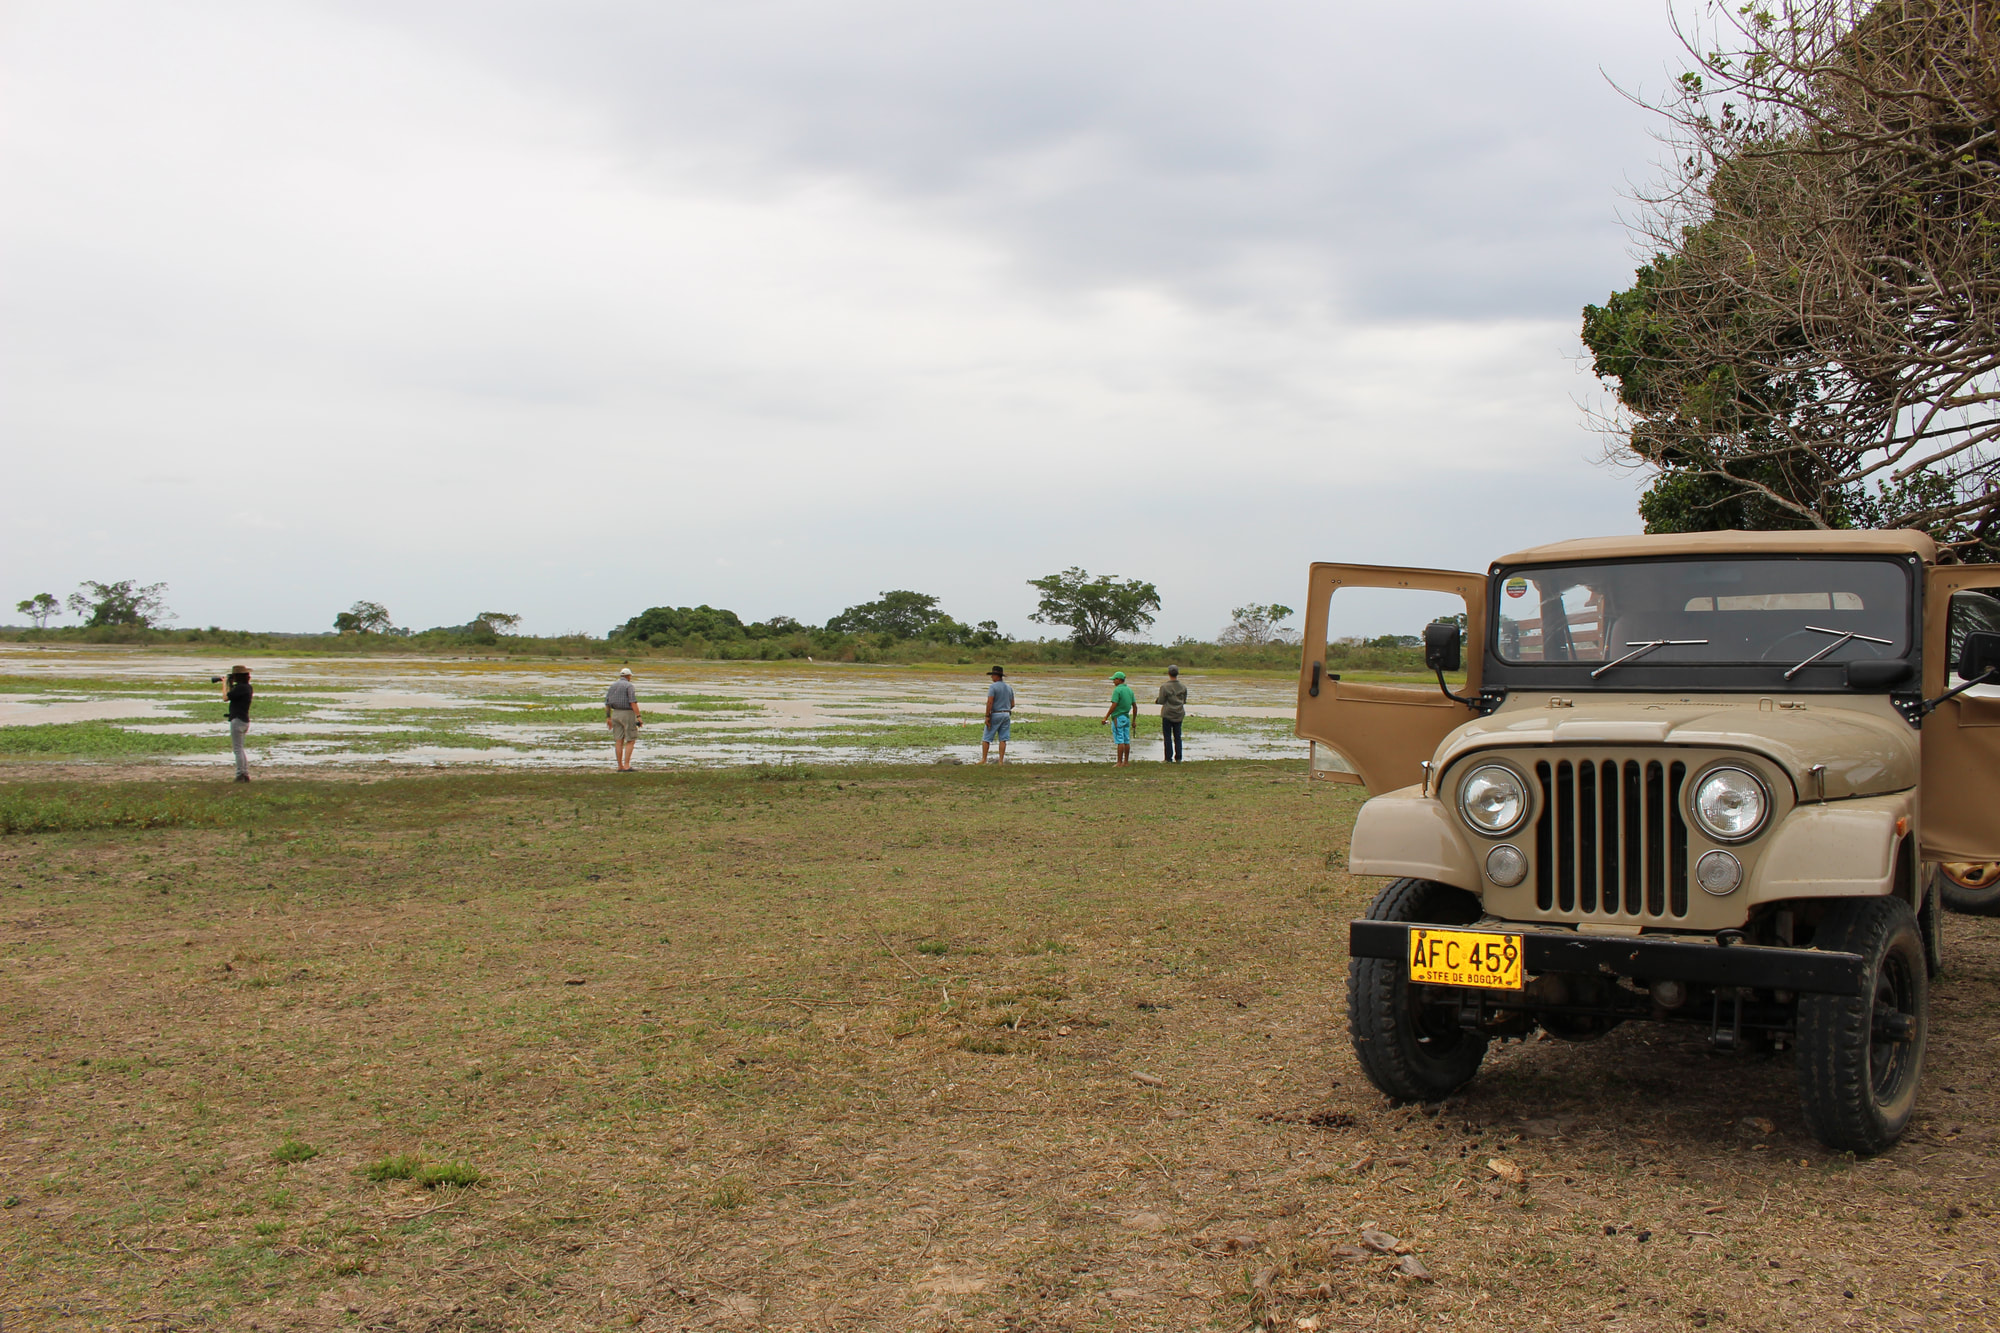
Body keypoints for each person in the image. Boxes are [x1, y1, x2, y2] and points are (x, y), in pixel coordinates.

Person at [605, 667, 643, 771]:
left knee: (618, 740)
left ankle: (619, 766)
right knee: (630, 740)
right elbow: (632, 702)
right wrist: (638, 716)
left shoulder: (613, 686)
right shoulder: (629, 686)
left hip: (615, 714)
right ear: (629, 676)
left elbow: (607, 703)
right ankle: (626, 765)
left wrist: (608, 717)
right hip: (627, 713)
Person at [220, 665, 253, 782]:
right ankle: (245, 773)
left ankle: (240, 774)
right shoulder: (247, 687)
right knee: (241, 749)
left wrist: (224, 684)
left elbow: (226, 697)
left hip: (237, 721)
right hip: (244, 720)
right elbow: (232, 695)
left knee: (237, 750)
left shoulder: (240, 688)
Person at [1100, 669, 1135, 765]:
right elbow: (1135, 706)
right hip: (1126, 717)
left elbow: (1114, 704)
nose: (1113, 681)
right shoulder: (1129, 690)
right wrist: (1134, 720)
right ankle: (1126, 762)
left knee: (1120, 740)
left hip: (1118, 717)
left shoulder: (1117, 690)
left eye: (1114, 679)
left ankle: (1119, 762)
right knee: (1126, 740)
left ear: (1119, 680)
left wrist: (1106, 717)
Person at [981, 665, 1015, 764]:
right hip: (1006, 714)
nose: (991, 677)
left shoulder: (993, 687)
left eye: (992, 675)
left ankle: (984, 759)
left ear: (997, 676)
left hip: (996, 714)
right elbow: (1012, 704)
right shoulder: (1009, 688)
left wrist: (987, 716)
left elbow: (990, 702)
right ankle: (1001, 761)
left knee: (986, 738)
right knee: (1003, 739)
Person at [1156, 665, 1188, 763]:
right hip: (1179, 713)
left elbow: (1161, 701)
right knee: (1178, 736)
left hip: (1168, 714)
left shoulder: (1164, 686)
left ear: (1169, 673)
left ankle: (1168, 758)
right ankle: (1178, 758)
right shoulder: (1183, 687)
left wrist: (1157, 701)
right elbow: (1184, 701)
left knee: (1167, 736)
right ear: (1177, 673)